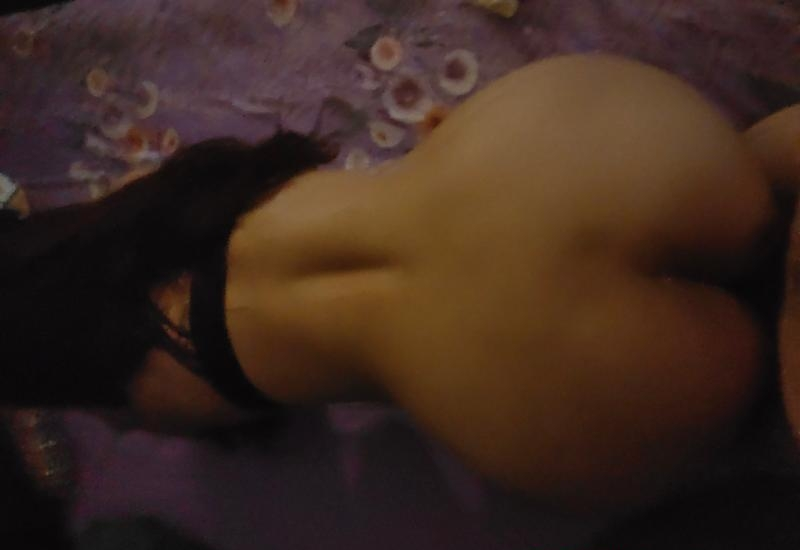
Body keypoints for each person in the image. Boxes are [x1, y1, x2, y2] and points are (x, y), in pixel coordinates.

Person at [0, 54, 794, 518]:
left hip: (525, 377)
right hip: (541, 157)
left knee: (758, 396)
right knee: (751, 188)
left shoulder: (155, 399)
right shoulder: (140, 197)